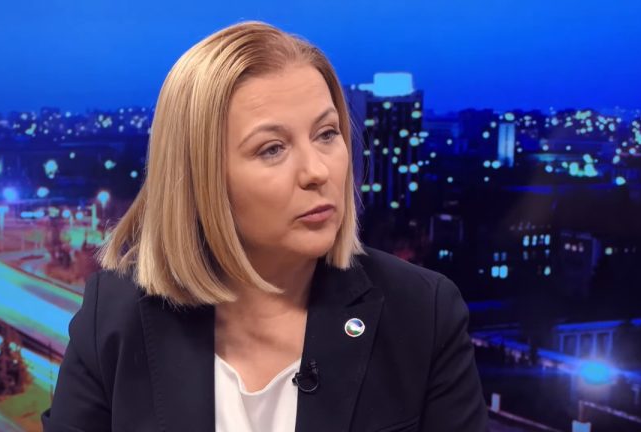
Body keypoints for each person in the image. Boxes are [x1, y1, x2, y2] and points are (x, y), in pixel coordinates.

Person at [41, 21, 487, 432]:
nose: (317, 171)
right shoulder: (114, 317)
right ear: (200, 179)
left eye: (327, 134)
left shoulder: (423, 314)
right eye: (272, 148)